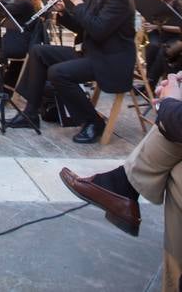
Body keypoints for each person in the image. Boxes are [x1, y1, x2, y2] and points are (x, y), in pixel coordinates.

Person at [60, 71, 182, 292]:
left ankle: (122, 182)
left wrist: (170, 102)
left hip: (113, 64)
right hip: (100, 59)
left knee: (59, 73)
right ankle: (122, 183)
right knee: (47, 61)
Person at [7, 0, 136, 143]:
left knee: (58, 73)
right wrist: (63, 12)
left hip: (110, 60)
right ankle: (30, 113)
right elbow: (84, 28)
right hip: (93, 52)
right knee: (38, 51)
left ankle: (93, 122)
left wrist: (77, 3)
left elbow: (98, 30)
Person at [144, 0, 182, 91]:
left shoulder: (175, 1)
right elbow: (148, 20)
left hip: (174, 37)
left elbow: (180, 28)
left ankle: (150, 84)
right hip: (156, 35)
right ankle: (149, 83)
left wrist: (158, 26)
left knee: (163, 50)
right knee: (152, 46)